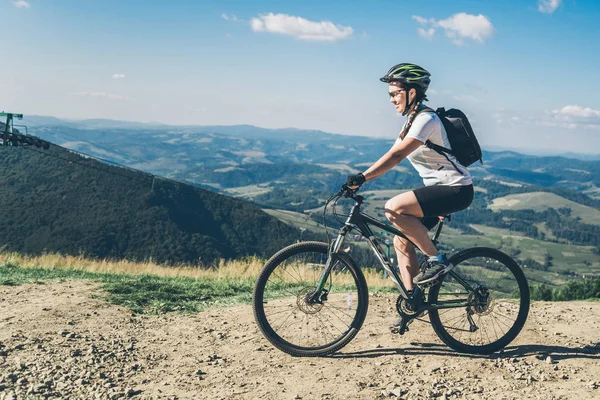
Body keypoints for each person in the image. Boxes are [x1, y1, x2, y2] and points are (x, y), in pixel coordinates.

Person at [346, 63, 474, 293]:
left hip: (456, 189)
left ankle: (437, 261)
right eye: (390, 95)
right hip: (440, 191)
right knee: (400, 240)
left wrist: (362, 178)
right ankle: (413, 299)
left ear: (411, 92)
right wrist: (362, 178)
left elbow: (397, 156)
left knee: (394, 209)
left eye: (395, 94)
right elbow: (390, 154)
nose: (392, 100)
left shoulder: (427, 120)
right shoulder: (411, 122)